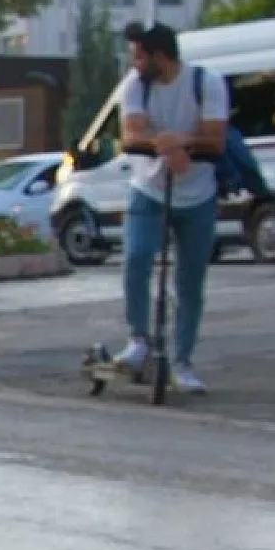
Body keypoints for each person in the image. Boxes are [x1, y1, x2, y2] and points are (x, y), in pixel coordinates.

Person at [116, 21, 230, 395]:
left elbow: (215, 138)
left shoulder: (206, 83)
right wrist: (164, 146)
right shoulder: (136, 86)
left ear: (160, 56)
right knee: (137, 258)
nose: (134, 63)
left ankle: (182, 360)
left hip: (197, 193)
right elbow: (131, 134)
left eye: (139, 56)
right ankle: (139, 339)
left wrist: (181, 140)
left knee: (190, 279)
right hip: (149, 187)